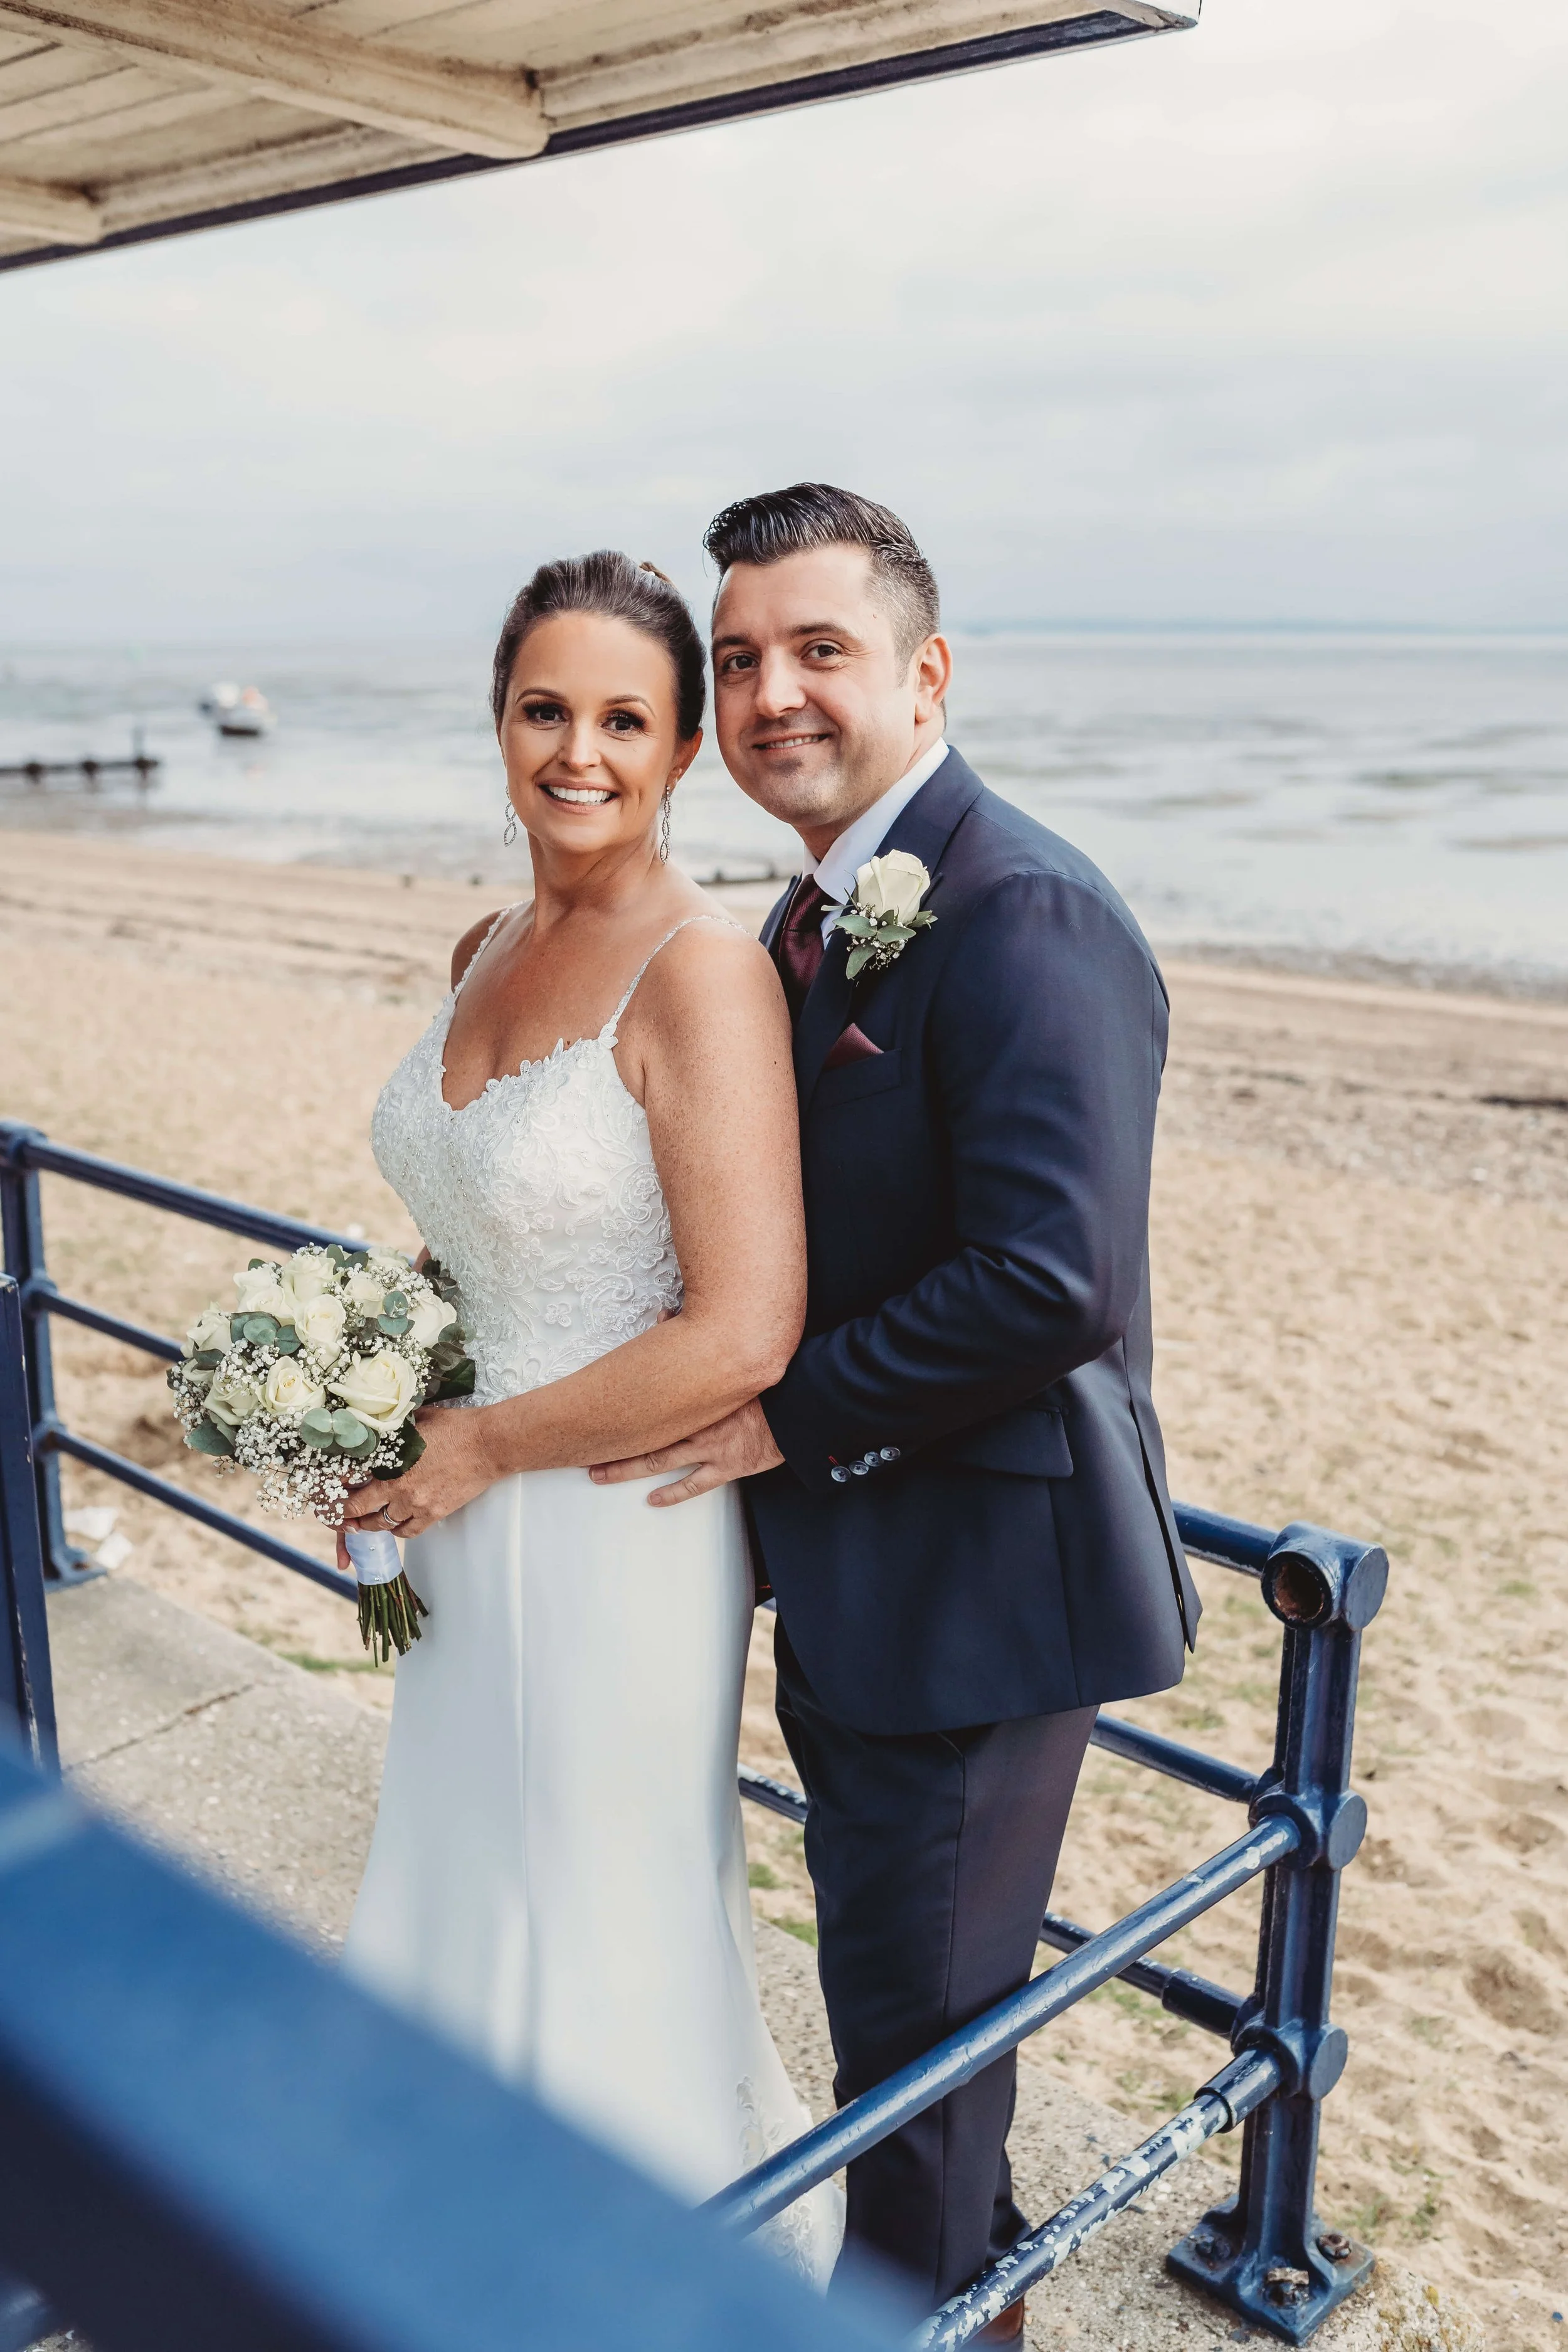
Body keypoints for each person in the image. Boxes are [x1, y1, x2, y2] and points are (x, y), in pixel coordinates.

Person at [590, 485, 1200, 2333]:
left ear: (923, 672)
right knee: (909, 2026)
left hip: (974, 1593)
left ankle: (915, 2315)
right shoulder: (818, 911)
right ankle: (976, 2304)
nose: (772, 690)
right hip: (874, 1576)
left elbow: (1050, 1279)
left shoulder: (1020, 912)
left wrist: (780, 1419)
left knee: (919, 2064)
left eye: (819, 649)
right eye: (741, 657)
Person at [338, 549, 842, 2285]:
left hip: (612, 1522)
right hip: (460, 1517)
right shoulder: (482, 943)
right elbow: (469, 1226)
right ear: (496, 721)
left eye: (625, 717)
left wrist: (475, 1442)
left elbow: (745, 1324)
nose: (581, 749)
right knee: (465, 1844)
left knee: (601, 1887)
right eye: (546, 708)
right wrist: (371, 1369)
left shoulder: (702, 973)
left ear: (683, 749)